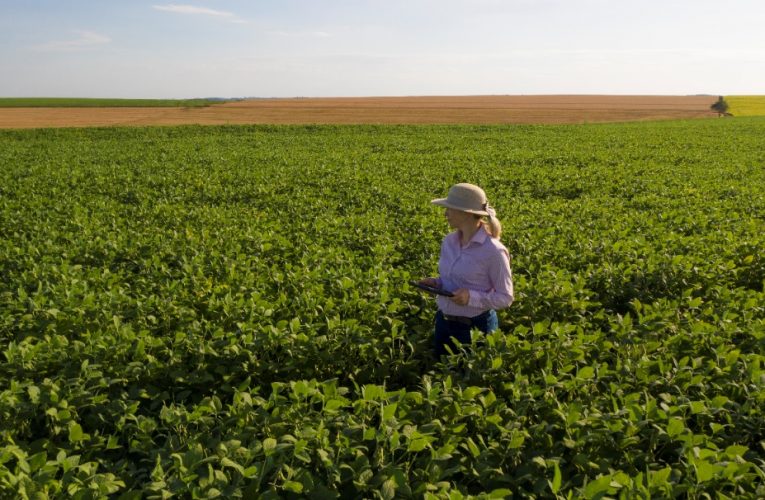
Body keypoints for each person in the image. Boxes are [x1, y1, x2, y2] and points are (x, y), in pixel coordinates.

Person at [418, 183, 514, 357]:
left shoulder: (493, 251)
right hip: (443, 322)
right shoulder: (449, 242)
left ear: (467, 213)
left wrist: (471, 298)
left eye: (450, 209)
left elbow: (505, 297)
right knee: (443, 374)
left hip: (475, 328)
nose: (445, 214)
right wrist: (436, 283)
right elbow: (453, 280)